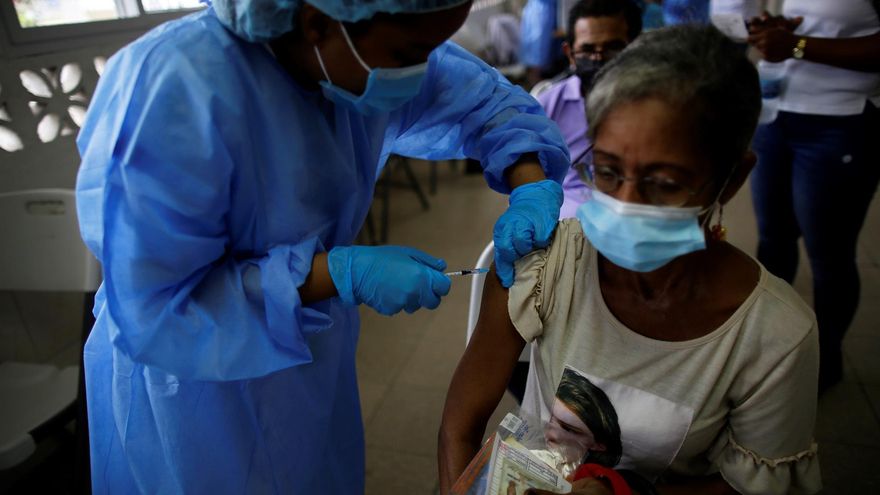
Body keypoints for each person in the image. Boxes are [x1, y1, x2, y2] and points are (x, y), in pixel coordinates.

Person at [74, 0, 571, 492]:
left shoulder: (369, 41)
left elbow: (485, 102)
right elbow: (162, 307)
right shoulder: (170, 90)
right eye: (410, 53)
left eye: (434, 47)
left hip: (306, 354)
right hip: (192, 378)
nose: (423, 70)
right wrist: (338, 274)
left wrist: (529, 186)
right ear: (314, 22)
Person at [439, 25, 821, 495]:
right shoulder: (548, 265)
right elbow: (460, 425)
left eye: (662, 182)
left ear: (733, 178)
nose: (624, 201)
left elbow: (751, 490)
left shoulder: (771, 336)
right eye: (608, 171)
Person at [745, 0, 880, 393]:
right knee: (773, 241)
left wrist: (798, 45)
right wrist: (776, 31)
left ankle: (824, 363)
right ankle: (770, 351)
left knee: (830, 255)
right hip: (776, 115)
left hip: (841, 122)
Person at [536, 0, 643, 219]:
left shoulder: (654, 106)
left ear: (634, 49)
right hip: (566, 223)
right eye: (587, 49)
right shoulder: (548, 106)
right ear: (570, 53)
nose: (597, 58)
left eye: (612, 48)